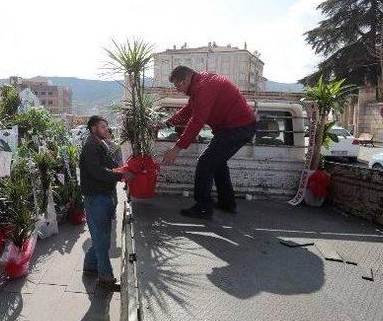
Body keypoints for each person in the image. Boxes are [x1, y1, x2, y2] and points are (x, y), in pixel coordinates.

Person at [156, 66, 257, 218]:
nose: (178, 90)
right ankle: (227, 203)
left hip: (238, 127)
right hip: (234, 127)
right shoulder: (201, 83)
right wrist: (166, 123)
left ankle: (203, 207)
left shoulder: (204, 87)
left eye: (178, 85)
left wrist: (176, 149)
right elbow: (190, 109)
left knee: (205, 162)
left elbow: (197, 121)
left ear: (185, 80)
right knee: (217, 162)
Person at [79, 115, 133, 290]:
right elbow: (97, 172)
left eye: (106, 126)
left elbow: (110, 164)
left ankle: (89, 266)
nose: (106, 129)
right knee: (103, 240)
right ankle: (106, 278)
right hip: (96, 198)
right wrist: (120, 175)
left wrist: (123, 169)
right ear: (93, 128)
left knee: (100, 237)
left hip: (104, 195)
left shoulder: (100, 144)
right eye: (103, 126)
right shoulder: (90, 147)